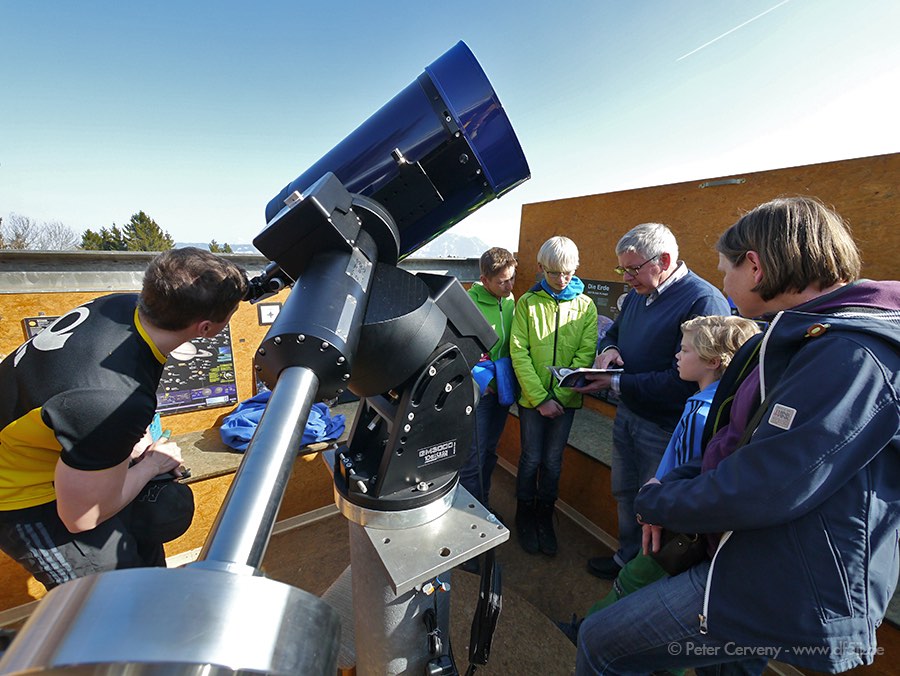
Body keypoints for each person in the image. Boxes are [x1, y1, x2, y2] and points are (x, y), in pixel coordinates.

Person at [576, 196, 900, 675]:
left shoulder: (849, 354)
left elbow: (769, 482)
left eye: (725, 268)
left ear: (755, 267)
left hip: (778, 577)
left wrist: (657, 502)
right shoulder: (800, 336)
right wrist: (676, 481)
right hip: (747, 551)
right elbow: (734, 438)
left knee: (601, 643)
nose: (721, 281)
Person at [0, 247, 248, 589]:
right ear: (206, 328)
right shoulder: (110, 399)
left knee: (148, 552)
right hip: (20, 493)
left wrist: (128, 439)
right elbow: (81, 518)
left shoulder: (119, 306)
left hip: (54, 449)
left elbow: (89, 397)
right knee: (107, 598)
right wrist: (152, 464)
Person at [567, 315, 759, 635]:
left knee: (632, 581)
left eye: (684, 351)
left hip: (668, 524)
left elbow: (682, 474)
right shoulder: (720, 405)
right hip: (673, 520)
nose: (677, 356)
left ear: (712, 360)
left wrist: (656, 505)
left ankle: (589, 631)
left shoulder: (701, 413)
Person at [575, 223, 730, 580]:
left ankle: (646, 580)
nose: (627, 278)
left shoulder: (702, 301)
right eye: (622, 270)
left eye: (633, 269)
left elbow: (680, 382)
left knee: (655, 511)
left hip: (665, 429)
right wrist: (609, 349)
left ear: (663, 260)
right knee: (627, 494)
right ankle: (626, 560)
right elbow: (613, 331)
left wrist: (615, 381)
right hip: (629, 414)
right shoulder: (641, 294)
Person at [511, 236, 598, 556]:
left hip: (565, 400)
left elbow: (586, 353)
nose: (561, 280)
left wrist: (558, 398)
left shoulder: (585, 305)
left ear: (575, 269)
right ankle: (524, 514)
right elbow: (519, 352)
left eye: (567, 273)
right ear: (540, 269)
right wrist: (539, 398)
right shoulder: (527, 303)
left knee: (552, 461)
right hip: (532, 401)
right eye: (553, 273)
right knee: (531, 457)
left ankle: (545, 516)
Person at [459, 247, 517, 513]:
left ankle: (483, 501)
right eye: (502, 281)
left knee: (490, 451)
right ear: (484, 280)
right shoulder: (468, 304)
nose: (509, 285)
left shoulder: (509, 300)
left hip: (502, 389)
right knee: (474, 456)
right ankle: (473, 513)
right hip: (480, 394)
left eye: (511, 278)